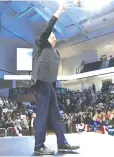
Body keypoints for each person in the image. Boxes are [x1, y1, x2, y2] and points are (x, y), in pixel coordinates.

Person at [31, 4, 80, 155]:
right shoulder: (41, 43)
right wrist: (59, 11)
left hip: (50, 85)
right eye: (51, 35)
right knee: (42, 114)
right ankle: (39, 145)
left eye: (54, 36)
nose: (53, 36)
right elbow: (48, 27)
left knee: (56, 115)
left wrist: (53, 86)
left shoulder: (56, 52)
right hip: (41, 82)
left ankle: (62, 143)